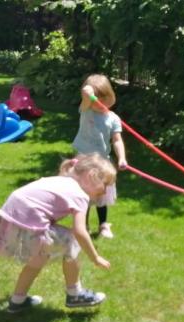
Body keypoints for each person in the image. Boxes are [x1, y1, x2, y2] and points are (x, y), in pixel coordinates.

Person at [0, 153, 116, 313]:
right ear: (91, 176)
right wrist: (95, 257)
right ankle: (75, 294)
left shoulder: (61, 180)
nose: (105, 192)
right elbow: (80, 231)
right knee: (72, 240)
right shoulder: (80, 195)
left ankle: (17, 301)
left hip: (10, 219)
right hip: (30, 224)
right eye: (105, 185)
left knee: (37, 260)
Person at [72, 74, 128, 239]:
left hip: (102, 162)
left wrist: (122, 157)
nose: (102, 103)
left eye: (106, 98)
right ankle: (83, 226)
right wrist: (89, 94)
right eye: (98, 99)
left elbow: (117, 140)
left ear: (111, 97)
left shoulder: (113, 118)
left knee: (101, 195)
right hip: (84, 161)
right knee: (84, 195)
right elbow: (85, 96)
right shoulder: (86, 110)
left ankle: (103, 224)